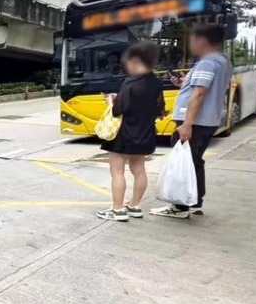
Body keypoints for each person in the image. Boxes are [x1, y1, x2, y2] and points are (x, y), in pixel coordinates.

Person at [151, 24, 232, 219]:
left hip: (194, 121)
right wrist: (182, 83)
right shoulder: (223, 61)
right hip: (207, 120)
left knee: (184, 163)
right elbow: (201, 87)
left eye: (192, 39)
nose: (190, 44)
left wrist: (186, 124)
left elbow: (199, 93)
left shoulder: (207, 62)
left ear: (203, 41)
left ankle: (180, 207)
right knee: (194, 162)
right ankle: (195, 202)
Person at [96, 41, 165, 222]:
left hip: (124, 135)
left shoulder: (130, 83)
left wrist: (112, 100)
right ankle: (135, 206)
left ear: (135, 60)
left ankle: (118, 210)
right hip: (145, 133)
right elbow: (159, 109)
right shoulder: (156, 83)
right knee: (139, 169)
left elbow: (118, 110)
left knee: (117, 171)